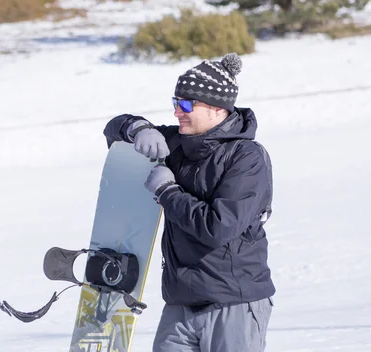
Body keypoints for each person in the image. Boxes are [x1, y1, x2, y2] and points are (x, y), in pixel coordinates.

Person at [103, 53, 275, 352]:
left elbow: (218, 227)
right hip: (180, 302)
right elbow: (113, 129)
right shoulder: (179, 143)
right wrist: (139, 128)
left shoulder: (246, 157)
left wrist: (167, 191)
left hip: (233, 302)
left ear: (216, 108)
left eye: (185, 105)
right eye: (175, 103)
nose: (176, 113)